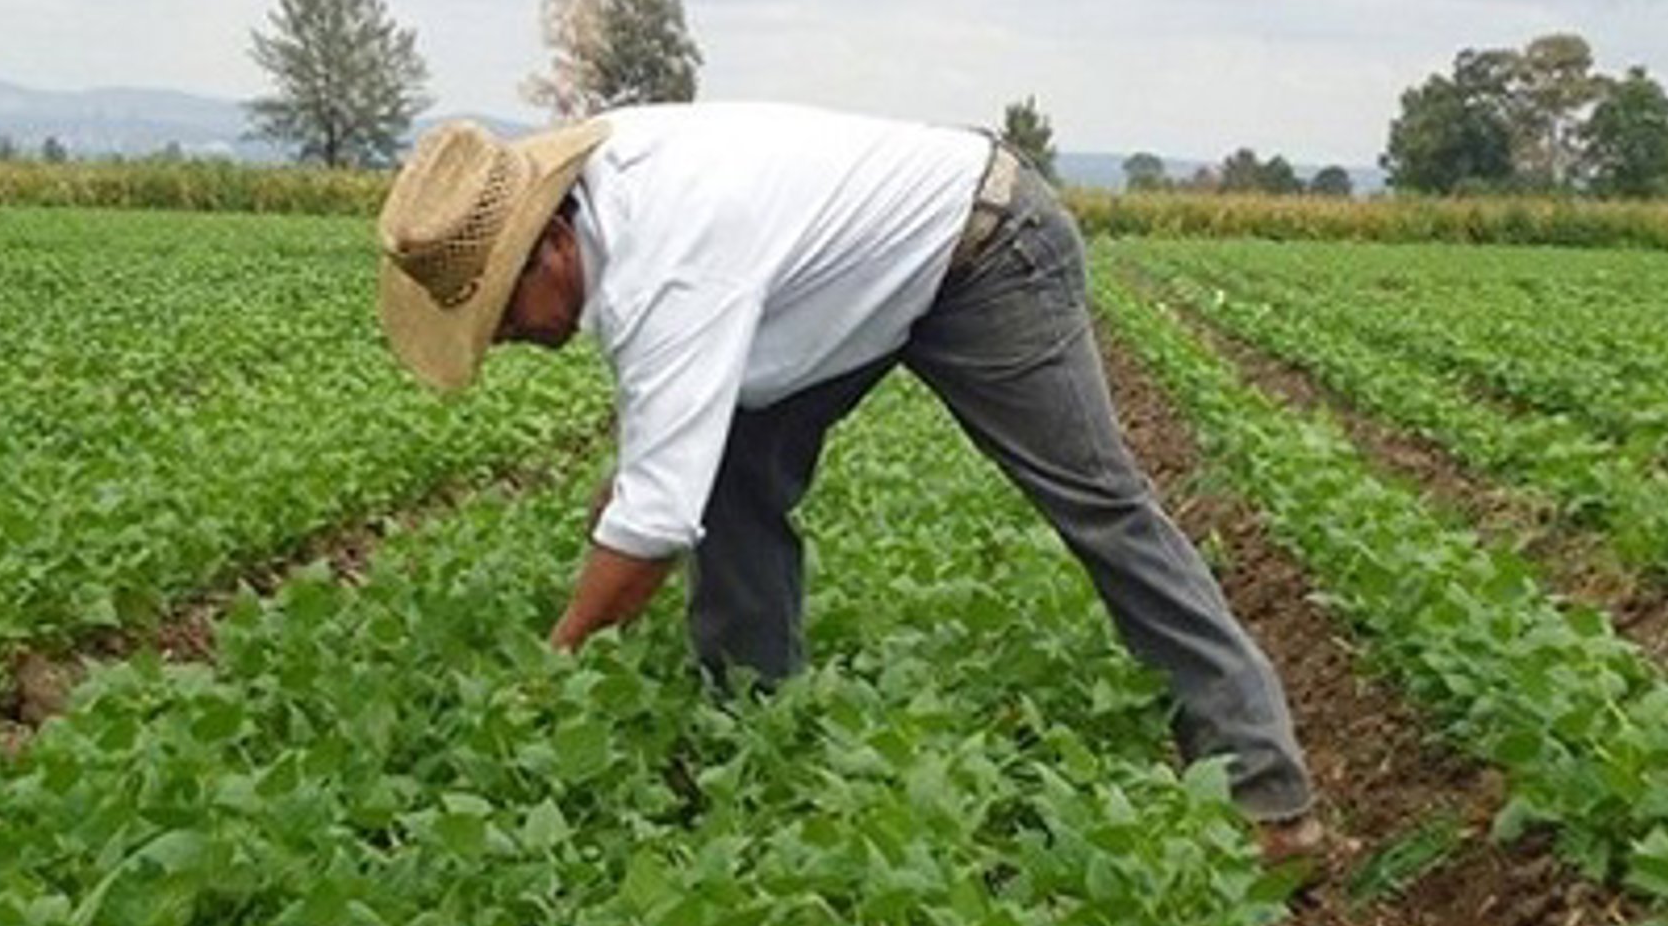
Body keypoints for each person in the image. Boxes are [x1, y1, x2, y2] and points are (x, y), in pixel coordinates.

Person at [375, 103, 1323, 862]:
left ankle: (1264, 794)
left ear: (549, 244)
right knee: (726, 473)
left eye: (501, 315)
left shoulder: (666, 265)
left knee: (1101, 505)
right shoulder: (615, 208)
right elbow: (664, 453)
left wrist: (556, 666)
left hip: (983, 244)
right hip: (836, 286)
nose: (508, 339)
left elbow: (654, 521)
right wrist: (631, 496)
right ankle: (755, 735)